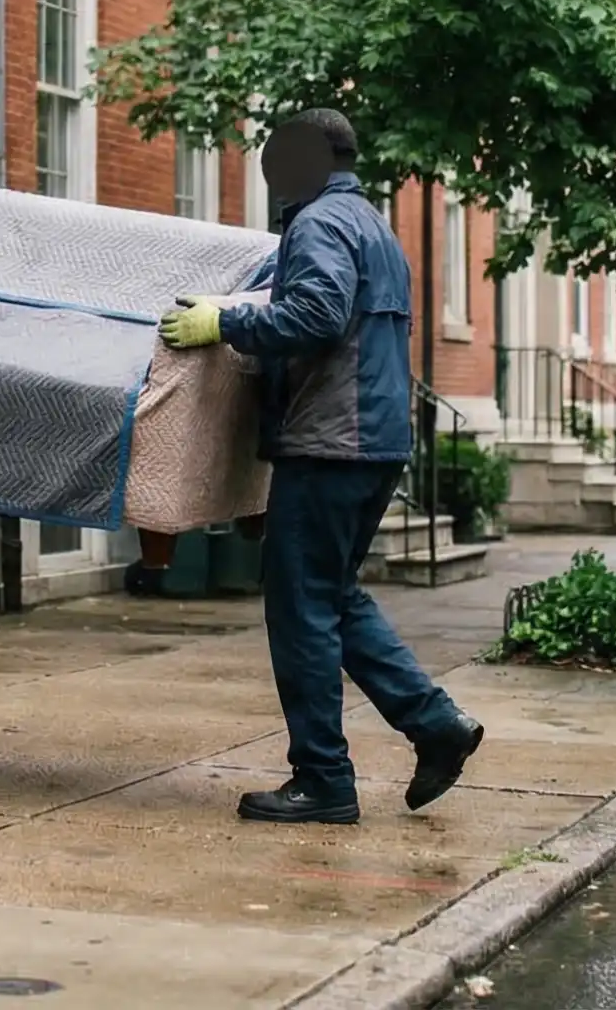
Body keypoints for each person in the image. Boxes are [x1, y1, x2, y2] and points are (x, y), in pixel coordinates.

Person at [158, 108, 484, 823]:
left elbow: (317, 313)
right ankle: (436, 726)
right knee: (333, 598)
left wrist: (224, 321)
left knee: (302, 610)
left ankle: (323, 780)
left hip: (332, 442)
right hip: (370, 441)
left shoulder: (320, 224)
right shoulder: (369, 223)